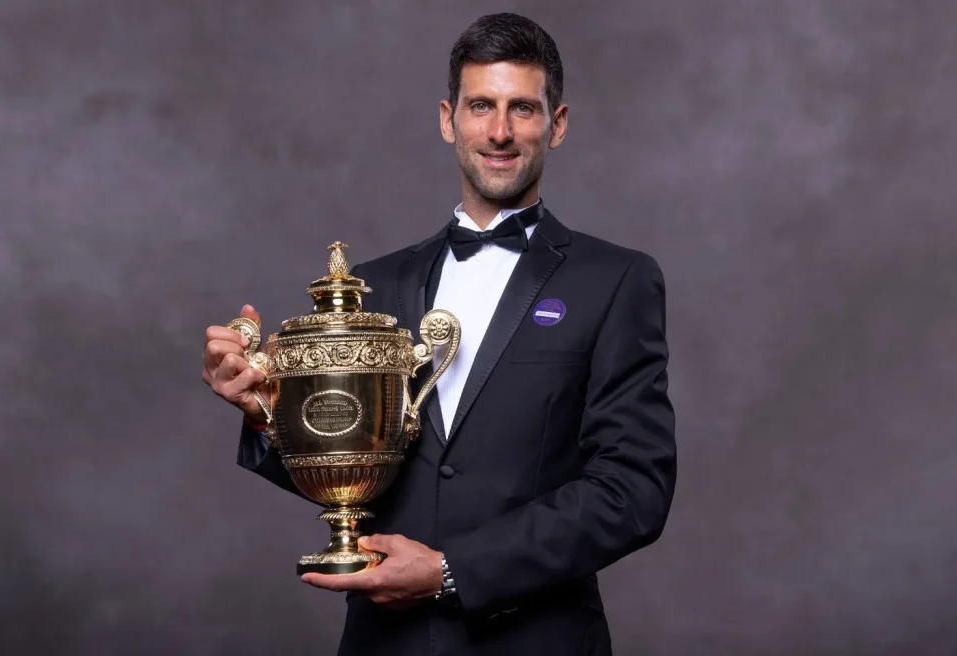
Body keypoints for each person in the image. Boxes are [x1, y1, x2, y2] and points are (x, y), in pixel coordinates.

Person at [202, 12, 676, 656]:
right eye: (481, 106)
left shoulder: (615, 280)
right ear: (449, 119)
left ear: (557, 124)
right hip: (385, 644)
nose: (500, 131)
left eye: (522, 109)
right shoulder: (375, 287)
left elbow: (633, 491)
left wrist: (453, 571)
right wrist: (265, 414)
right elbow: (352, 467)